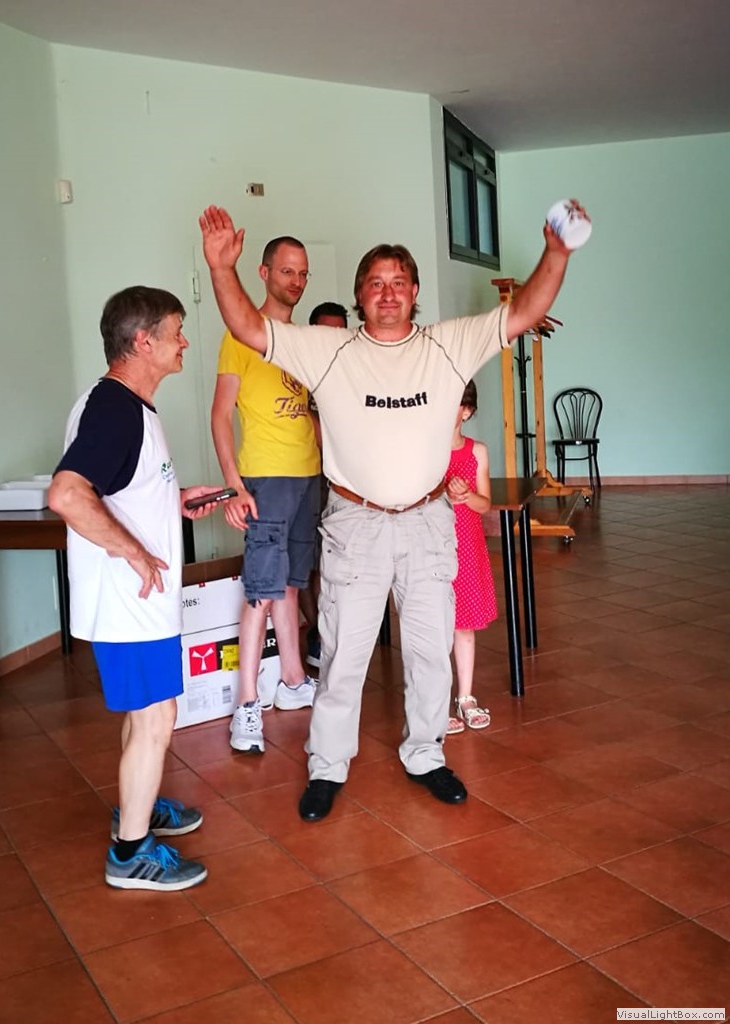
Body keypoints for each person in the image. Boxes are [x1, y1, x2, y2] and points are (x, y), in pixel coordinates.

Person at [199, 201, 588, 822]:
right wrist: (222, 269)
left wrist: (558, 253)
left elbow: (523, 313)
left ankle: (426, 753)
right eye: (376, 283)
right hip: (355, 524)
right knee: (345, 657)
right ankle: (327, 766)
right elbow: (249, 328)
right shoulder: (327, 349)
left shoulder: (447, 345)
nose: (387, 293)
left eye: (399, 282)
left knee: (430, 652)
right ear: (360, 295)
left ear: (414, 293)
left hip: (429, 522)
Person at [49, 285, 225, 890]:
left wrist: (174, 501)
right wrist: (133, 551)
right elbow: (67, 494)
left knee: (145, 711)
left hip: (135, 602)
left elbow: (118, 490)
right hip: (131, 601)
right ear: (144, 341)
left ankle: (138, 808)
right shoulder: (115, 411)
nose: (184, 342)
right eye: (176, 332)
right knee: (157, 715)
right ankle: (129, 852)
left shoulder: (124, 406)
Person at [210, 237, 322, 755]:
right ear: (263, 272)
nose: (296, 281)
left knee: (291, 586)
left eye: (302, 273)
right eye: (286, 271)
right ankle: (247, 704)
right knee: (260, 591)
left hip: (307, 475)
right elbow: (220, 415)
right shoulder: (240, 334)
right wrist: (234, 485)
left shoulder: (300, 339)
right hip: (266, 479)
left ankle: (293, 681)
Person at [299, 301, 350, 668]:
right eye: (325, 331)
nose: (333, 338)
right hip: (303, 476)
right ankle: (319, 634)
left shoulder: (354, 371)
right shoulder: (297, 372)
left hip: (347, 480)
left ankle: (335, 636)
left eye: (339, 331)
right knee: (307, 563)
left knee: (339, 563)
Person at [443, 380, 495, 736]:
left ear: (466, 411)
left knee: (464, 625)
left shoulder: (478, 452)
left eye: (454, 404)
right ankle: (434, 700)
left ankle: (465, 696)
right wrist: (443, 493)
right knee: (434, 626)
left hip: (467, 545)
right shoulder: (426, 451)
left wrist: (465, 497)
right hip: (433, 547)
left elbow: (485, 504)